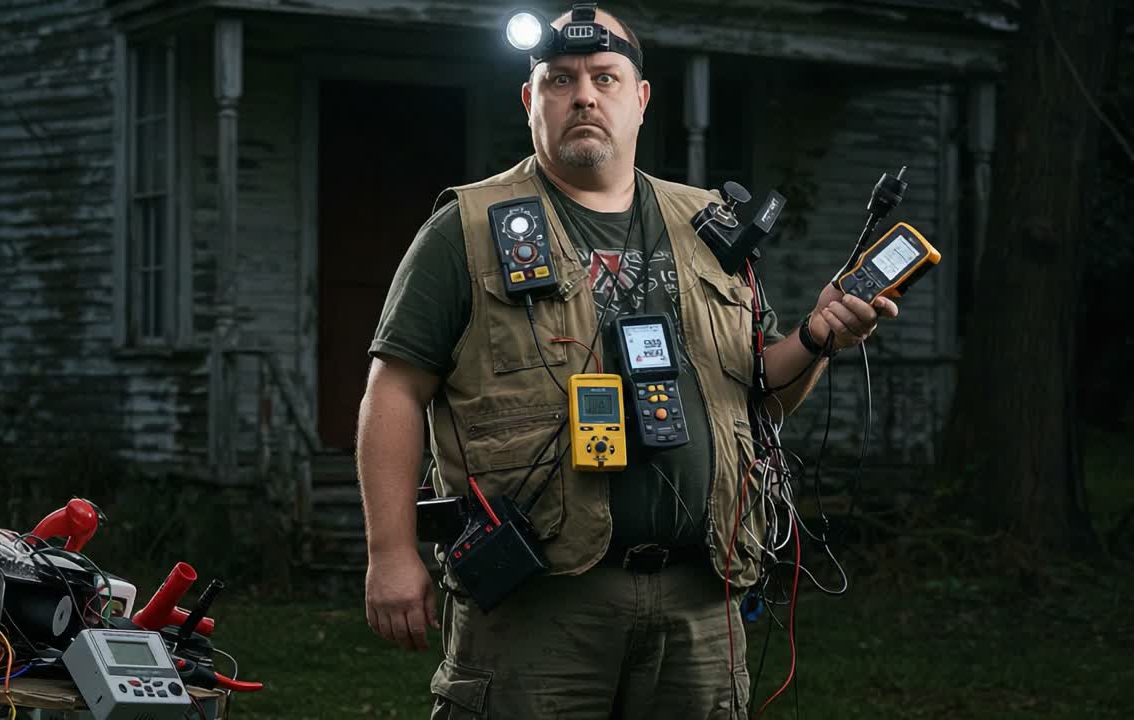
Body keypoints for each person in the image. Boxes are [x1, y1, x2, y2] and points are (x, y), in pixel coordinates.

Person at [356, 6, 899, 718]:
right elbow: (393, 390)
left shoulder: (711, 227)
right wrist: (389, 552)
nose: (583, 94)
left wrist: (818, 337)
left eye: (605, 78)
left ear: (640, 99)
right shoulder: (464, 229)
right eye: (560, 80)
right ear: (531, 101)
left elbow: (757, 396)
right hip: (539, 601)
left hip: (700, 600)